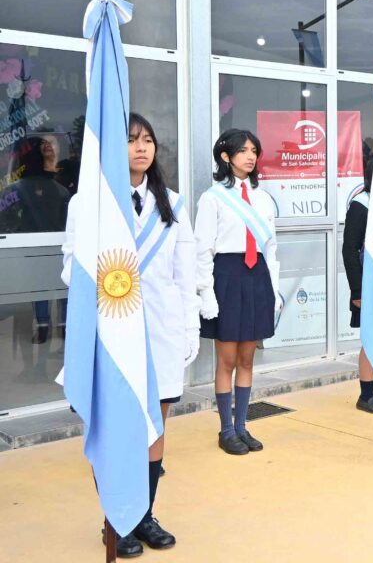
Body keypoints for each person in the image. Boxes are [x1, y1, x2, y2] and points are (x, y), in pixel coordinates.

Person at [62, 113, 199, 556]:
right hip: (111, 333)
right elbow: (71, 268)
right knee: (113, 429)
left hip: (160, 331)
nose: (141, 148)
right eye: (131, 140)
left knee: (154, 426)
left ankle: (143, 516)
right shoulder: (88, 202)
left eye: (148, 140)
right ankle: (115, 520)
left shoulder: (172, 204)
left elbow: (185, 274)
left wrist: (190, 328)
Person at [195, 129, 280, 456]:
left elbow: (271, 248)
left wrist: (274, 290)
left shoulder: (263, 198)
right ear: (225, 156)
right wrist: (206, 293)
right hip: (227, 277)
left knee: (247, 358)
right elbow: (203, 250)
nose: (250, 156)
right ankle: (226, 429)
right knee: (227, 360)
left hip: (257, 276)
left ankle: (242, 425)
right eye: (243, 150)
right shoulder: (213, 198)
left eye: (254, 151)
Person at [341, 160, 373, 414]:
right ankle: (366, 394)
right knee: (371, 339)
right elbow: (349, 250)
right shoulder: (362, 204)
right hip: (368, 284)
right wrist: (357, 291)